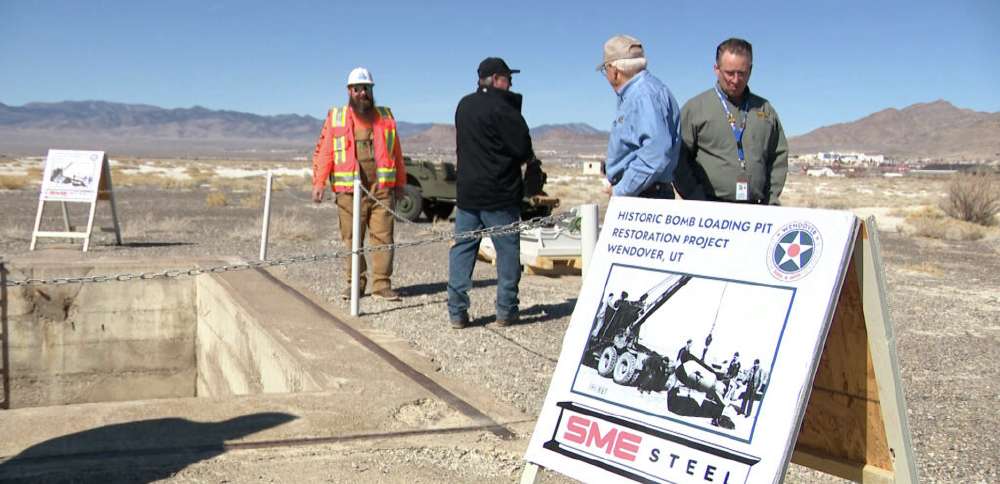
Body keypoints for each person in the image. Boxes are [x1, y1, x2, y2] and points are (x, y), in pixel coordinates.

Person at [448, 57, 534, 329]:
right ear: (497, 79)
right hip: (500, 196)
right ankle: (506, 311)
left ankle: (457, 313)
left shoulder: (464, 106)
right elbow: (522, 149)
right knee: (507, 254)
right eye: (508, 78)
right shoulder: (504, 109)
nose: (510, 84)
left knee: (462, 251)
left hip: (468, 196)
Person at [311, 67, 406, 301]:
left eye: (367, 88)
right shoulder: (337, 118)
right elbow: (325, 152)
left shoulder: (385, 116)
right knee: (352, 239)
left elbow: (397, 153)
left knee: (383, 237)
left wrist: (400, 182)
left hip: (381, 190)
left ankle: (382, 285)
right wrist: (319, 182)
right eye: (357, 89)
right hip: (349, 192)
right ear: (349, 91)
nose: (362, 93)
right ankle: (355, 284)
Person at [674, 38, 788, 204]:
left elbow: (778, 157)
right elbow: (678, 159)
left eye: (741, 73)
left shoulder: (764, 110)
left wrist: (770, 200)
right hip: (709, 208)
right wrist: (695, 197)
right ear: (716, 69)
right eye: (729, 73)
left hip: (755, 210)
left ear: (750, 70)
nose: (735, 80)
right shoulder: (696, 108)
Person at [598, 34, 681, 199]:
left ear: (614, 71)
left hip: (645, 196)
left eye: (605, 69)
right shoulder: (644, 92)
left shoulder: (643, 95)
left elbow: (656, 153)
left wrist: (621, 190)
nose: (606, 75)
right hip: (644, 192)